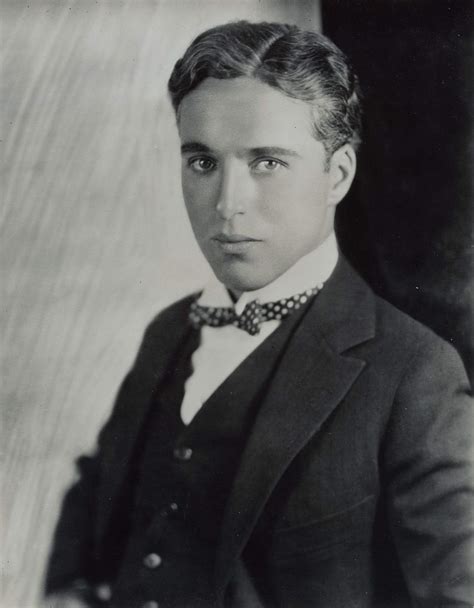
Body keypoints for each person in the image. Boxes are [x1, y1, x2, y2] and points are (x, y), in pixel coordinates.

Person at [45, 21, 473, 608]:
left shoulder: (415, 373)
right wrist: (65, 590)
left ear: (338, 175)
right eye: (203, 162)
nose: (227, 204)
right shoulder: (167, 332)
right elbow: (100, 485)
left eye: (266, 162)